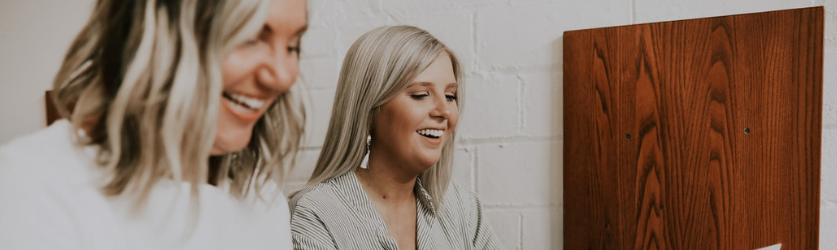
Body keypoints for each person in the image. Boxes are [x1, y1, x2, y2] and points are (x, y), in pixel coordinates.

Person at [0, 0, 307, 249]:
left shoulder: (262, 200)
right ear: (157, 35)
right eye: (249, 37)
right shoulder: (35, 186)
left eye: (293, 46)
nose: (282, 75)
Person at [290, 25, 502, 250]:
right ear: (369, 109)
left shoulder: (463, 207)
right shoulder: (315, 213)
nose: (445, 111)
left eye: (451, 96)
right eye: (421, 95)